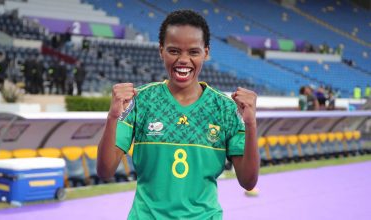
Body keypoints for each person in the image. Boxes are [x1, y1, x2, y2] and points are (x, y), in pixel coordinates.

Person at [97, 10, 259, 219]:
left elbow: (248, 181)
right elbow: (105, 170)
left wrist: (251, 125)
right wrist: (112, 118)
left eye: (193, 52)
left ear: (206, 53)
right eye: (174, 51)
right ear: (161, 50)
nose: (184, 60)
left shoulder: (226, 108)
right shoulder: (140, 101)